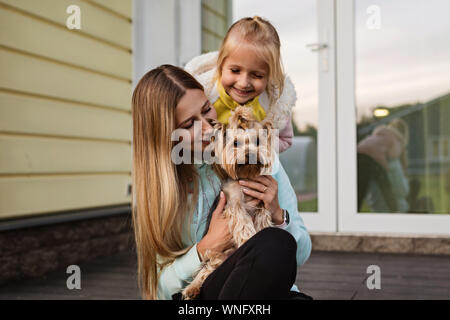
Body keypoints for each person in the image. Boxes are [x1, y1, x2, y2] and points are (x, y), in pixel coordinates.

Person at [131, 64, 312, 300]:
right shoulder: (162, 190)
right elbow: (159, 289)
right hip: (199, 295)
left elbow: (300, 255)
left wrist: (278, 215)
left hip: (261, 287)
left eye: (207, 110)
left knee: (275, 243)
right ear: (165, 136)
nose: (207, 128)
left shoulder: (262, 160)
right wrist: (206, 247)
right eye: (188, 125)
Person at [184, 16, 296, 153]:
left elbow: (286, 139)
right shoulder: (204, 96)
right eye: (235, 70)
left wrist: (258, 145)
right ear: (221, 65)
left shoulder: (273, 104)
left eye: (257, 75)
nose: (243, 83)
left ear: (269, 76)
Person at [357, 118, 410, 212]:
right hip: (372, 159)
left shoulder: (379, 134)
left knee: (360, 190)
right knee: (386, 187)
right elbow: (393, 156)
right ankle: (394, 210)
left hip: (358, 157)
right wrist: (389, 166)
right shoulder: (396, 140)